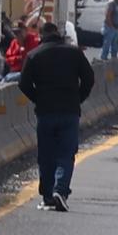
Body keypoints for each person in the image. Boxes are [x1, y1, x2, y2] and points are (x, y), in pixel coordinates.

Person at [16, 14, 96, 210]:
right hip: (69, 111)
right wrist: (78, 98)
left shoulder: (34, 55)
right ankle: (60, 190)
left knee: (46, 154)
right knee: (66, 153)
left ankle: (47, 195)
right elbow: (89, 79)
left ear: (42, 35)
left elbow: (23, 83)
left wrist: (38, 98)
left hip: (45, 112)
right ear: (59, 35)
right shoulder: (74, 53)